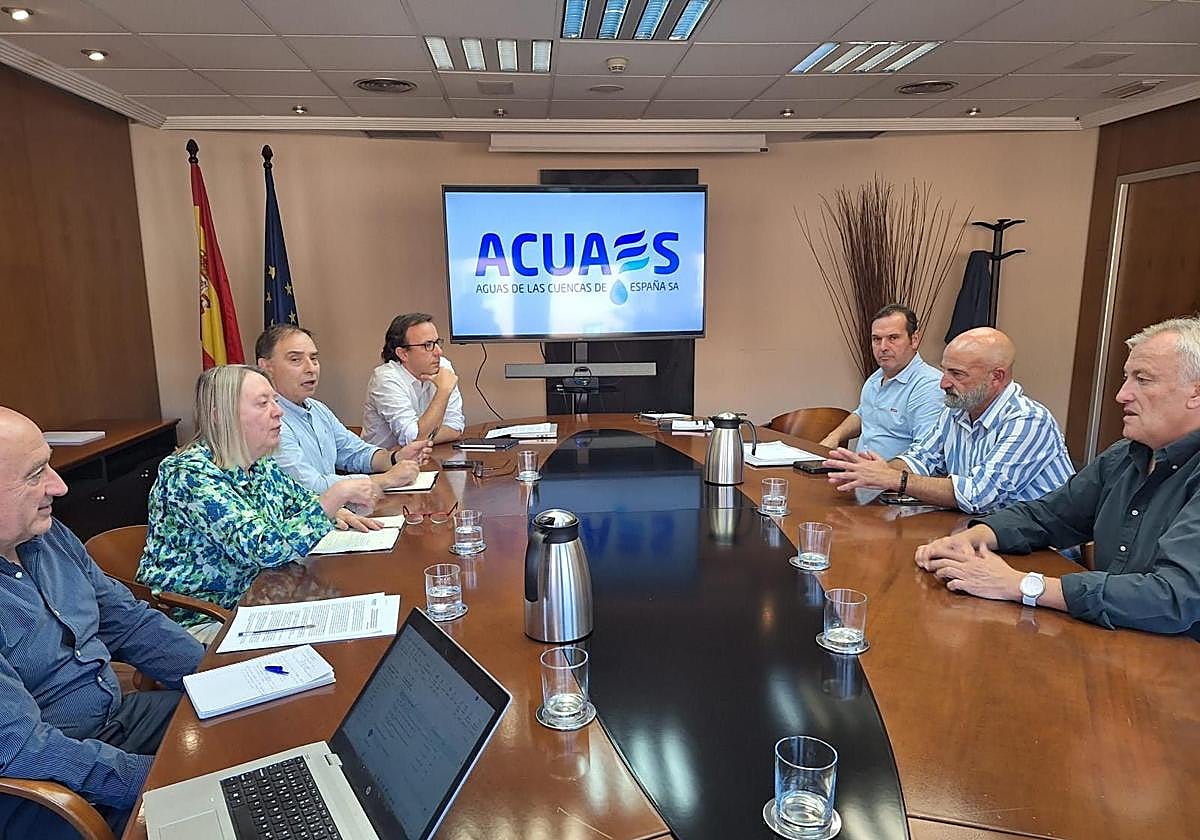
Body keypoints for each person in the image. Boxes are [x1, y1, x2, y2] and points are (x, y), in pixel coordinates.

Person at [915, 317, 1200, 638]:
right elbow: (1049, 516)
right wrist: (969, 539)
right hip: (1111, 641)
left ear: (1196, 393)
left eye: (1143, 379)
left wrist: (1021, 584)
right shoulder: (1125, 455)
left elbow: (1173, 597)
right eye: (1126, 378)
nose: (1122, 394)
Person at [0, 406, 204, 838]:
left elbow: (127, 621)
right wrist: (161, 777)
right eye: (36, 474)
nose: (59, 485)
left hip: (113, 720)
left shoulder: (48, 536)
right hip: (43, 788)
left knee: (242, 729)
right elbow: (24, 750)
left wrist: (217, 679)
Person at [138, 365, 381, 642]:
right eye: (263, 403)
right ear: (221, 416)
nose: (278, 411)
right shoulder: (188, 474)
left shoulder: (259, 463)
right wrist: (333, 497)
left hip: (264, 598)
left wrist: (335, 510)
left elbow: (303, 503)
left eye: (275, 401)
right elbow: (264, 548)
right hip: (204, 618)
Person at [823, 327, 1074, 514]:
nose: (943, 383)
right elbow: (921, 458)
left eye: (956, 374)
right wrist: (873, 471)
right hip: (982, 531)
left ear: (996, 377)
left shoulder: (1028, 420)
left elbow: (978, 495)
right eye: (944, 370)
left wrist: (892, 479)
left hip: (1045, 554)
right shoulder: (957, 410)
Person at [255, 324, 431, 494]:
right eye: (295, 360)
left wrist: (395, 458)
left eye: (314, 359)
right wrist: (385, 480)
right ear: (266, 367)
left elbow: (354, 452)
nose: (310, 368)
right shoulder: (269, 421)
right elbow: (307, 486)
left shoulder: (317, 409)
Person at [819, 304, 944, 459]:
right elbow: (863, 413)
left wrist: (877, 474)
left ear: (914, 340)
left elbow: (924, 455)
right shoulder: (876, 378)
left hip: (892, 480)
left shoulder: (929, 386)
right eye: (877, 339)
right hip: (858, 476)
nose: (883, 347)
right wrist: (834, 437)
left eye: (893, 338)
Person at [362, 313, 465, 447]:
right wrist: (443, 392)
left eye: (437, 342)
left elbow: (455, 428)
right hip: (385, 465)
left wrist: (422, 437)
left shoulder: (443, 366)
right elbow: (414, 439)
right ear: (403, 354)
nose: (438, 351)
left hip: (425, 458)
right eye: (428, 345)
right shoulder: (385, 379)